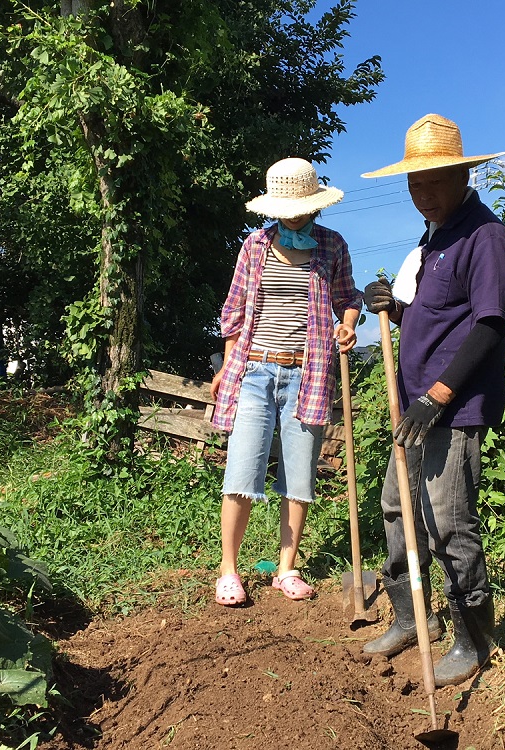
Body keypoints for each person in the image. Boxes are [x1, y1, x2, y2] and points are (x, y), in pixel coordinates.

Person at [360, 114, 505, 686]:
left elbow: (487, 327)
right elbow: (435, 318)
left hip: (450, 407)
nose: (421, 194)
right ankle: (408, 617)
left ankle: (471, 640)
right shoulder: (435, 237)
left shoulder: (484, 235)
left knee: (448, 521)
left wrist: (439, 395)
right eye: (413, 184)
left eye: (432, 182)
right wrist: (392, 308)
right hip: (413, 406)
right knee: (398, 509)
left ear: (461, 174)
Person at [210, 157, 362, 607]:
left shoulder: (332, 246)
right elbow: (235, 313)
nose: (293, 214)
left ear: (315, 205)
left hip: (308, 372)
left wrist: (348, 323)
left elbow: (348, 298)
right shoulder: (255, 246)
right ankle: (229, 571)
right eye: (285, 207)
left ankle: (286, 568)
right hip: (254, 371)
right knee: (241, 473)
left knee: (299, 478)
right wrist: (226, 366)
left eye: (301, 206)